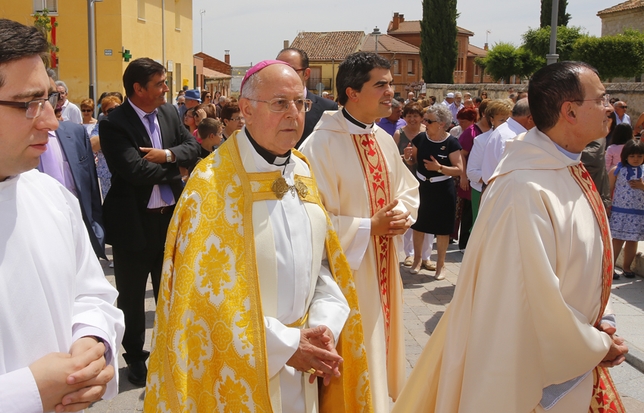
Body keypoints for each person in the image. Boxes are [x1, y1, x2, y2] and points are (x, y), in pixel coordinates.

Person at [392, 61, 629, 413]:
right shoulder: (523, 187)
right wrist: (595, 345)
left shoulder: (565, 167)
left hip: (586, 345)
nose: (610, 107)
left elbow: (590, 259)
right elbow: (534, 298)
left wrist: (604, 319)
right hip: (537, 377)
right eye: (602, 97)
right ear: (570, 111)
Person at [144, 60, 372, 412]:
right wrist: (285, 345)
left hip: (307, 363)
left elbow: (324, 266)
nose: (294, 114)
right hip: (244, 369)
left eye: (300, 102)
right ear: (247, 110)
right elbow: (203, 302)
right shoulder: (212, 186)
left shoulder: (303, 171)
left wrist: (325, 325)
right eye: (280, 103)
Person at [0, 18, 124, 412]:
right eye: (29, 104)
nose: (52, 123)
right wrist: (27, 393)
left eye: (50, 102)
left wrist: (92, 341)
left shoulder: (52, 197)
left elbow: (91, 293)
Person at [300, 51, 419, 411]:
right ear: (352, 92)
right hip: (348, 274)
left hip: (383, 265)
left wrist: (401, 214)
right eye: (380, 85)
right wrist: (369, 227)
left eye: (391, 85)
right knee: (359, 348)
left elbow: (406, 189)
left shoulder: (383, 139)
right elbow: (310, 218)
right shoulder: (319, 145)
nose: (390, 93)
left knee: (381, 346)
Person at [99, 57, 200, 386]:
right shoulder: (114, 123)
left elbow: (192, 146)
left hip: (170, 221)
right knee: (130, 297)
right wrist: (179, 169)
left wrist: (167, 155)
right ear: (138, 88)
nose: (166, 89)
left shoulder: (170, 112)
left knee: (169, 292)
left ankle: (169, 352)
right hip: (133, 224)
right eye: (159, 84)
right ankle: (136, 358)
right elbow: (134, 172)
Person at [403, 104, 463, 278]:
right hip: (422, 187)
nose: (425, 123)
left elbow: (459, 169)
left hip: (443, 189)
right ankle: (417, 261)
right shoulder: (421, 139)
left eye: (429, 120)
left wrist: (439, 168)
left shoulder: (451, 142)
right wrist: (408, 157)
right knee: (419, 225)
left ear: (441, 124)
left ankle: (440, 266)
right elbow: (413, 161)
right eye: (425, 119)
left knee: (443, 229)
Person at [393, 102, 433, 271]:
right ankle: (409, 254)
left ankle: (427, 256)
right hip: (405, 178)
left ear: (421, 117)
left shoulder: (428, 133)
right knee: (409, 213)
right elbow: (392, 157)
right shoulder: (399, 134)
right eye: (409, 115)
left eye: (415, 115)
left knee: (428, 216)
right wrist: (404, 157)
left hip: (425, 178)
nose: (412, 119)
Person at [276, 47, 338, 148]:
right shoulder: (267, 105)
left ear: (307, 74)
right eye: (279, 70)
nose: (284, 75)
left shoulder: (328, 109)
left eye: (292, 70)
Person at [466, 99, 512, 221]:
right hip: (483, 192)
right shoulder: (481, 140)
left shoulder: (516, 137)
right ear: (492, 120)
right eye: (502, 120)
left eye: (508, 119)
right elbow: (472, 172)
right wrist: (496, 179)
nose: (505, 124)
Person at [609, 138, 644, 280]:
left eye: (640, 156)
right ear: (625, 156)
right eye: (632, 156)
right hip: (619, 212)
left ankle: (627, 267)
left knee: (632, 240)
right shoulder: (617, 170)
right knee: (617, 240)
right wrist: (607, 206)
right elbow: (609, 189)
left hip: (637, 213)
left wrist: (642, 186)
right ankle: (610, 268)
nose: (636, 159)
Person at [456, 105, 488, 249]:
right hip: (471, 177)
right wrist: (463, 176)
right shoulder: (471, 132)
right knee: (468, 210)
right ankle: (464, 244)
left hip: (480, 179)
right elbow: (461, 154)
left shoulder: (490, 132)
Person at [481, 97, 533, 184]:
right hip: (504, 193)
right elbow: (510, 176)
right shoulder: (510, 138)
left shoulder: (507, 132)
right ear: (530, 118)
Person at [90, 95, 121, 199]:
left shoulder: (128, 124)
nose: (115, 112)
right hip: (107, 175)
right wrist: (110, 132)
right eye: (111, 110)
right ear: (105, 113)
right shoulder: (101, 126)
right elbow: (92, 145)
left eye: (118, 108)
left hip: (126, 171)